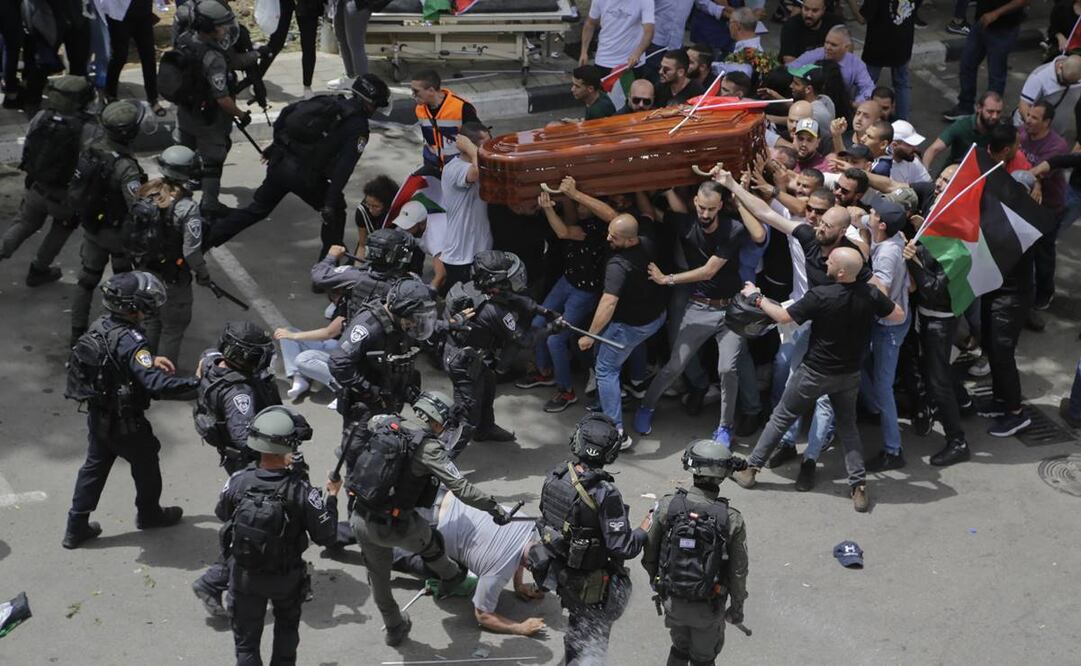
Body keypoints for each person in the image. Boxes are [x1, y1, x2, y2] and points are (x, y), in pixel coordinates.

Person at [733, 242, 903, 511]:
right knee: (848, 428)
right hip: (849, 374)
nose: (826, 264)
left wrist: (756, 296)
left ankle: (750, 469)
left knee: (780, 417)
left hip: (814, 372)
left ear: (842, 273)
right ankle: (858, 486)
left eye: (831, 262)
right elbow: (898, 314)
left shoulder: (821, 295)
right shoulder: (868, 294)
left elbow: (782, 316)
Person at [345, 394, 511, 646]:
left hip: (360, 517)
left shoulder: (385, 422)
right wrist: (494, 507)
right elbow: (462, 488)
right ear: (435, 421)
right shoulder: (429, 448)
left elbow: (361, 433)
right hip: (398, 524)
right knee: (432, 542)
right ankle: (452, 578)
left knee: (378, 578)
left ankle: (394, 627)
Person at [62, 271, 199, 549]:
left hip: (98, 415)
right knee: (147, 462)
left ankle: (75, 527)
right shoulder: (133, 339)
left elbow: (113, 360)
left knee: (94, 467)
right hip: (127, 422)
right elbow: (156, 385)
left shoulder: (101, 325)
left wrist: (149, 360)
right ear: (131, 307)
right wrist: (199, 384)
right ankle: (149, 514)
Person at [634, 180, 765, 446]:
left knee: (728, 369)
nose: (705, 215)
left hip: (732, 310)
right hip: (700, 306)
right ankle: (646, 407)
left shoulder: (733, 228)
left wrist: (667, 279)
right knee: (675, 364)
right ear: (695, 202)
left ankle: (725, 428)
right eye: (702, 208)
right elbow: (651, 214)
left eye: (711, 209)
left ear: (720, 206)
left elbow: (712, 268)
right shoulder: (684, 223)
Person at [206, 75, 389, 257]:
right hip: (305, 177)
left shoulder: (328, 101)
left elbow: (285, 115)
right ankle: (326, 271)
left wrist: (275, 147)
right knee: (337, 212)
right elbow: (344, 169)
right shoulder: (358, 127)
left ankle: (205, 241)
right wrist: (330, 204)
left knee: (256, 209)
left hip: (279, 164)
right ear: (369, 103)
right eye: (376, 105)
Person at [217, 406, 340, 665]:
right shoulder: (303, 490)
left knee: (246, 644)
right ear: (289, 447)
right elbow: (326, 536)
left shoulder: (238, 480)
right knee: (285, 635)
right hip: (286, 578)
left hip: (244, 576)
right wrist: (331, 497)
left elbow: (222, 513)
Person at [531, 414, 649, 665]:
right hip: (592, 582)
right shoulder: (605, 492)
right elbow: (623, 546)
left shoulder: (556, 475)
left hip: (561, 572)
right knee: (592, 642)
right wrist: (645, 527)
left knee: (577, 628)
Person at [191, 321, 280, 617]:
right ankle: (215, 582)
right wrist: (279, 453)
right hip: (249, 465)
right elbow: (245, 438)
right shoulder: (239, 392)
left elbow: (202, 365)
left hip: (236, 461)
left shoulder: (211, 359)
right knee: (256, 526)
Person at [642, 440, 749, 666]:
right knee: (703, 658)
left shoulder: (667, 506)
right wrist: (737, 609)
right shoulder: (731, 519)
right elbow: (738, 572)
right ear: (722, 476)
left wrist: (657, 582)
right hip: (708, 608)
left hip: (672, 601)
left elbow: (649, 551)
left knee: (680, 649)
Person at [390, 488, 547, 636]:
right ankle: (384, 557)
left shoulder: (529, 524)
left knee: (386, 500)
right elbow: (483, 616)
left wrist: (518, 584)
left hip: (442, 494)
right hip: (431, 523)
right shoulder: (497, 573)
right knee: (453, 574)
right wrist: (519, 628)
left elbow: (521, 550)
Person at [580, 214, 668, 450]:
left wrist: (590, 335)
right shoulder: (647, 240)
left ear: (629, 241)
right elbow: (625, 218)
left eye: (614, 236)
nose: (608, 238)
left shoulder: (618, 265)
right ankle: (636, 386)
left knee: (605, 369)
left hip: (630, 325)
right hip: (655, 317)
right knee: (630, 348)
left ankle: (616, 432)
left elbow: (608, 303)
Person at [443, 251, 548, 448]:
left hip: (463, 354)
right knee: (467, 414)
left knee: (488, 384)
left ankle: (485, 428)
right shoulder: (494, 310)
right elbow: (523, 340)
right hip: (463, 363)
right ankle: (444, 457)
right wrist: (550, 330)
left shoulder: (468, 288)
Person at [0, 75, 96, 286]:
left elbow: (28, 150)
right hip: (65, 198)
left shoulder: (42, 116)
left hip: (36, 188)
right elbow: (90, 165)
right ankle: (39, 269)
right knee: (62, 228)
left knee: (24, 224)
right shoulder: (87, 128)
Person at [518, 189, 608, 413]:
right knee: (539, 323)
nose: (579, 208)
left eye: (583, 204)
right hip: (567, 281)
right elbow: (569, 215)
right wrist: (566, 192)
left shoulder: (596, 228)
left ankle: (566, 390)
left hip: (584, 292)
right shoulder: (583, 218)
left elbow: (562, 231)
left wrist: (547, 206)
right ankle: (544, 371)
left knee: (556, 340)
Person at [69, 100, 148, 346]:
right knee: (124, 283)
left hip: (93, 227)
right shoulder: (126, 167)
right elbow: (138, 206)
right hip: (118, 234)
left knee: (87, 280)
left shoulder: (92, 147)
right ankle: (124, 333)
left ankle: (76, 333)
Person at [129, 145, 211, 363]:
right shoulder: (187, 207)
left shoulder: (147, 191)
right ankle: (164, 378)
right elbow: (191, 251)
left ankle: (145, 370)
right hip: (172, 278)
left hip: (145, 272)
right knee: (173, 327)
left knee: (151, 320)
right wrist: (203, 274)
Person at [328, 276, 436, 433]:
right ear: (402, 310)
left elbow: (426, 326)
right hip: (367, 406)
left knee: (387, 445)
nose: (415, 323)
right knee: (359, 451)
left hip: (391, 395)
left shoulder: (403, 321)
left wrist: (450, 324)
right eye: (414, 317)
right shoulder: (369, 326)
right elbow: (338, 362)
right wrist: (369, 391)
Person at [172, 0, 249, 216]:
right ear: (210, 28)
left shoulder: (184, 40)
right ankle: (210, 204)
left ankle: (175, 200)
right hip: (208, 118)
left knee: (183, 158)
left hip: (184, 111)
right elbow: (222, 98)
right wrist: (241, 114)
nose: (226, 29)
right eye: (222, 25)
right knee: (214, 159)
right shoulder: (213, 57)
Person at [901, 238, 973, 466]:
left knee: (938, 379)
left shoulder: (959, 253)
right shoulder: (931, 241)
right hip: (927, 318)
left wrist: (912, 260)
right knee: (937, 368)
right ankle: (963, 402)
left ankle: (958, 441)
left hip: (940, 323)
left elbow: (932, 288)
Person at [860, 199, 910, 472]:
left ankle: (893, 450)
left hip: (889, 326)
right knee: (863, 364)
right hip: (888, 322)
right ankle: (874, 407)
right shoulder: (892, 235)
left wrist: (860, 269)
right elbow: (859, 216)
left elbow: (882, 293)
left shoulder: (889, 252)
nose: (869, 212)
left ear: (882, 224)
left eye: (874, 212)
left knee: (883, 385)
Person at [1019, 100, 1069, 314]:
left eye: (1034, 118)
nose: (1027, 120)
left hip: (1049, 208)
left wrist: (1036, 180)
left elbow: (1038, 172)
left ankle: (1044, 293)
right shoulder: (1021, 133)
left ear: (1047, 122)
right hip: (1025, 204)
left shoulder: (1057, 147)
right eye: (1028, 115)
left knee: (1043, 253)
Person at [942, 0, 1029, 121]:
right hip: (983, 22)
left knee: (996, 74)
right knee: (967, 63)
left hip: (1004, 28)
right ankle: (965, 106)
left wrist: (996, 13)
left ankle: (990, 116)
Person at [439, 122, 494, 290]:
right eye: (486, 144)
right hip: (460, 256)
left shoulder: (484, 164)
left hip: (481, 251)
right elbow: (476, 173)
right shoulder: (454, 169)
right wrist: (470, 148)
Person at [411, 69, 481, 173]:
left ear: (431, 91)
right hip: (432, 166)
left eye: (416, 91)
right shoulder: (419, 109)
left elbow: (479, 140)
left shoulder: (461, 108)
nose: (413, 95)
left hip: (457, 168)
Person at [789, 25, 875, 104]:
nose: (827, 47)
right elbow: (791, 68)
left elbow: (869, 87)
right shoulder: (815, 54)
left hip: (840, 104)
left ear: (846, 47)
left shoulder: (855, 64)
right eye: (826, 42)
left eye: (833, 45)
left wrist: (857, 102)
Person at [104, 0, 162, 115]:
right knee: (119, 57)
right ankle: (110, 94)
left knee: (149, 55)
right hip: (120, 15)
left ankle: (153, 98)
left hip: (143, 13)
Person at [860, 0, 914, 120]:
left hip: (877, 45)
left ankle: (864, 118)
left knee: (867, 83)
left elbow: (863, 18)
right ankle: (903, 123)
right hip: (903, 42)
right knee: (902, 83)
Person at [924, 91, 1004, 170]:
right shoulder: (962, 126)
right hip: (954, 171)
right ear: (979, 108)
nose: (995, 116)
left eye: (998, 112)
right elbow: (933, 149)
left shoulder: (1001, 130)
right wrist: (925, 175)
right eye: (990, 112)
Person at [579, 0, 655, 73]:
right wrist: (584, 52)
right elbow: (590, 23)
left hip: (631, 63)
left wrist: (637, 53)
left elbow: (649, 31)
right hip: (604, 60)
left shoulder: (645, 1)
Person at [1013, 54, 1081, 135]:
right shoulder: (1040, 77)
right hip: (1030, 130)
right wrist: (1035, 128)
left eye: (1072, 83)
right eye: (1065, 80)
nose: (1067, 84)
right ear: (1060, 67)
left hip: (1056, 131)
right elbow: (1023, 105)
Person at [354, 174, 399, 256]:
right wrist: (358, 267)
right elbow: (362, 245)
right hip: (371, 249)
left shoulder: (399, 214)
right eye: (368, 204)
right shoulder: (362, 211)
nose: (370, 210)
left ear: (387, 205)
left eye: (376, 206)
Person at [889, 120, 932, 184]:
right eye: (909, 145)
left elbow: (928, 186)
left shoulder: (913, 161)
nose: (915, 148)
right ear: (894, 145)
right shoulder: (881, 167)